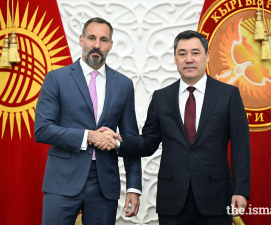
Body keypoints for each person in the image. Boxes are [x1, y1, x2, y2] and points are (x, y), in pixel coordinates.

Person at [95, 30, 251, 225]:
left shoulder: (229, 95)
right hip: (173, 199)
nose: (189, 59)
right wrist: (117, 142)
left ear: (207, 56)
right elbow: (149, 142)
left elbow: (240, 147)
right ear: (175, 59)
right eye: (182, 53)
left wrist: (241, 190)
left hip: (216, 196)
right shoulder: (161, 97)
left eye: (195, 53)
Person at [34, 17, 142, 225]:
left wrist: (133, 187)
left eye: (103, 40)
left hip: (104, 183)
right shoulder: (56, 78)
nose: (96, 45)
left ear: (110, 45)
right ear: (81, 39)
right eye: (91, 38)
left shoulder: (124, 85)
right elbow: (43, 130)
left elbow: (131, 140)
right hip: (62, 181)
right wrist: (89, 136)